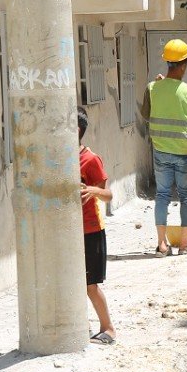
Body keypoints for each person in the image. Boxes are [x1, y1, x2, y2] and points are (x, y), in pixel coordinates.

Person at [139, 39, 187, 256]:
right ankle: (184, 244)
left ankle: (162, 245)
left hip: (161, 152)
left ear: (167, 62)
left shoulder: (153, 88)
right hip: (185, 153)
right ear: (184, 64)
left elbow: (146, 114)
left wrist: (160, 85)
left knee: (162, 195)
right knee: (186, 196)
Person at [77, 107, 115, 345]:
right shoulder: (59, 159)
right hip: (69, 233)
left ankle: (108, 329)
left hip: (90, 232)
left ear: (76, 130)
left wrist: (93, 190)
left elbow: (108, 195)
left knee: (91, 285)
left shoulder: (91, 160)